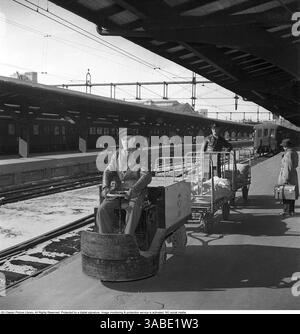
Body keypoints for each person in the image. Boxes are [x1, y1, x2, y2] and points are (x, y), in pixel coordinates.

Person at [96, 130, 152, 235]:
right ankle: (106, 236)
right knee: (102, 209)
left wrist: (134, 189)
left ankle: (127, 237)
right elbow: (108, 171)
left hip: (136, 191)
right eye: (124, 139)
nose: (126, 142)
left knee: (132, 208)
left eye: (129, 139)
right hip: (119, 191)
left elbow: (146, 175)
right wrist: (105, 187)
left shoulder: (142, 155)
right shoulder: (116, 154)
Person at [277, 138, 299, 217]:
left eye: (283, 146)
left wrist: (286, 178)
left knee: (286, 194)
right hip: (293, 175)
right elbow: (295, 165)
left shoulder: (288, 154)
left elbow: (287, 167)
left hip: (288, 176)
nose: (283, 147)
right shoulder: (294, 152)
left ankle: (287, 212)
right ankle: (291, 211)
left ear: (286, 146)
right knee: (291, 193)